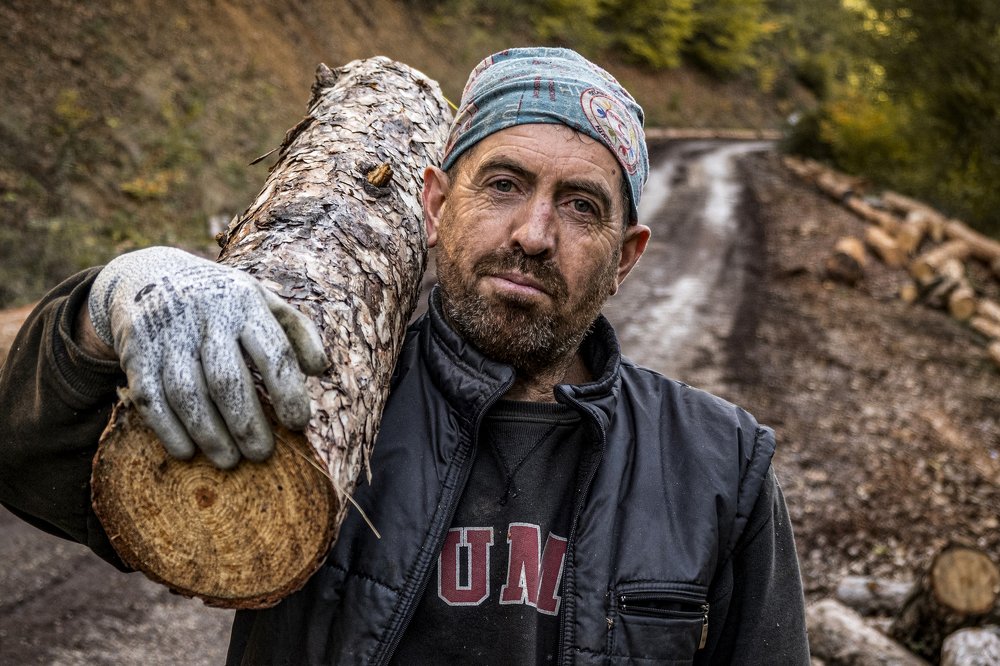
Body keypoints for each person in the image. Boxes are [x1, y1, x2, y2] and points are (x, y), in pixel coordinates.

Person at [0, 47, 809, 664]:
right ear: (435, 204)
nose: (533, 234)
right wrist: (107, 305)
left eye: (580, 206)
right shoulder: (317, 394)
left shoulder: (719, 465)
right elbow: (32, 470)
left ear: (625, 256)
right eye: (503, 185)